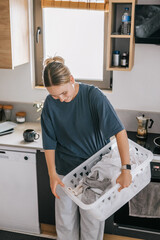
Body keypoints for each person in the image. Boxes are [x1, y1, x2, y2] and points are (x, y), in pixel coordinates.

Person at [41, 56, 132, 240]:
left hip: (95, 174)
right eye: (55, 95)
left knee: (92, 224)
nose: (61, 99)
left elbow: (119, 132)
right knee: (65, 224)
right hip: (65, 172)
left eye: (64, 93)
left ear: (72, 80)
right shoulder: (51, 104)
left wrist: (126, 168)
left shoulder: (93, 96)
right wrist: (52, 173)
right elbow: (49, 141)